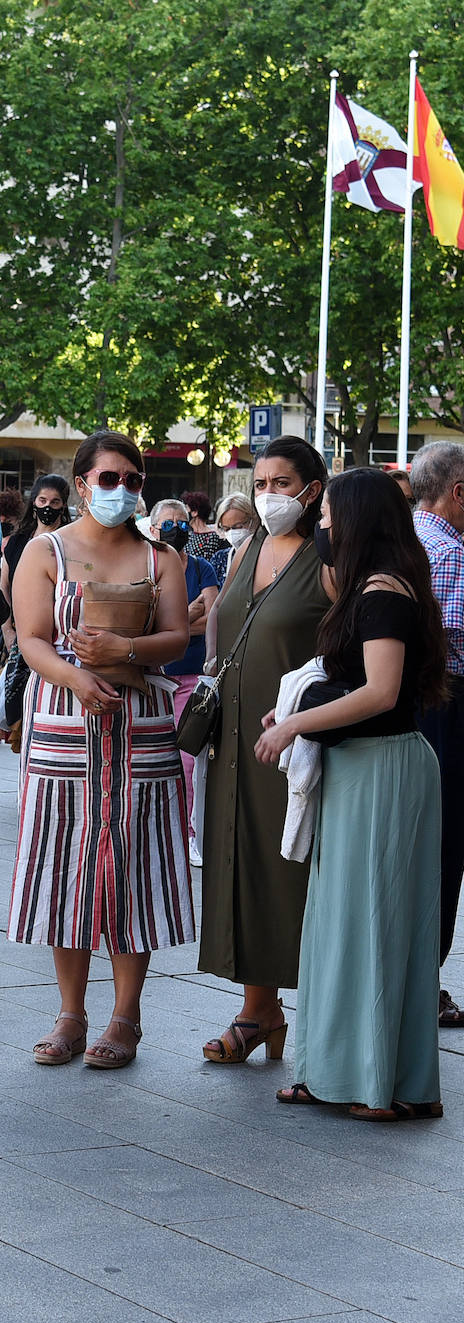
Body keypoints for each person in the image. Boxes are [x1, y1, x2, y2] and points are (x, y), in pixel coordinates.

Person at [253, 468, 449, 1121]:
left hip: (382, 771)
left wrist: (293, 723)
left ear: (359, 519)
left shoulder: (382, 592)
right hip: (369, 768)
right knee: (344, 925)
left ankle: (376, 1083)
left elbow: (379, 692)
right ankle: (340, 1073)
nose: (322, 526)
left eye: (331, 514)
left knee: (371, 925)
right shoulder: (375, 585)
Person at [8, 431, 192, 1069]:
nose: (120, 489)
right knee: (64, 864)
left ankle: (125, 1016)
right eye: (108, 478)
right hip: (64, 719)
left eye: (132, 479)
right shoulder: (44, 550)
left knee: (137, 866)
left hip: (140, 725)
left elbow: (177, 637)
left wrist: (127, 653)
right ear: (82, 483)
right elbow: (31, 639)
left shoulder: (160, 557)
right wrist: (77, 678)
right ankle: (70, 1013)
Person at [198, 436, 332, 1063]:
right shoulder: (247, 546)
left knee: (294, 873)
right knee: (243, 864)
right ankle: (260, 1010)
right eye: (261, 483)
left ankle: (314, 1018)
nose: (270, 494)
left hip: (296, 744)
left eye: (283, 483)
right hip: (234, 739)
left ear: (312, 487)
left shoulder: (329, 555)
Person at [410, 440, 464, 1029]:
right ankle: (427, 979)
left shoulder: (400, 536)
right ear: (457, 492)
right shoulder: (449, 548)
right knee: (443, 838)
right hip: (444, 700)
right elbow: (450, 625)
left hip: (402, 702)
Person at [150, 499, 219, 864]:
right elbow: (145, 622)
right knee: (154, 758)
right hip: (154, 675)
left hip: (192, 674)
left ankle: (190, 832)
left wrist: (174, 623)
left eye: (181, 521)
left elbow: (212, 615)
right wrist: (185, 617)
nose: (175, 527)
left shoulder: (202, 567)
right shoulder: (147, 565)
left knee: (187, 759)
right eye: (167, 522)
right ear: (153, 527)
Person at [2, 475, 72, 653]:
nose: (47, 507)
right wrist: (8, 630)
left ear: (63, 505)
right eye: (43, 500)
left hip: (58, 641)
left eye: (55, 502)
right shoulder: (17, 542)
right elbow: (3, 586)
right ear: (34, 502)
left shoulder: (71, 544)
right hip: (18, 636)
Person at [210, 491, 259, 584]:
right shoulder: (220, 559)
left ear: (253, 521)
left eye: (238, 527)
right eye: (226, 529)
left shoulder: (266, 556)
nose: (232, 533)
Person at [182, 490, 224, 563]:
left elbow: (207, 563)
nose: (184, 513)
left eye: (186, 508)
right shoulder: (188, 533)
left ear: (195, 512)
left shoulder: (211, 537)